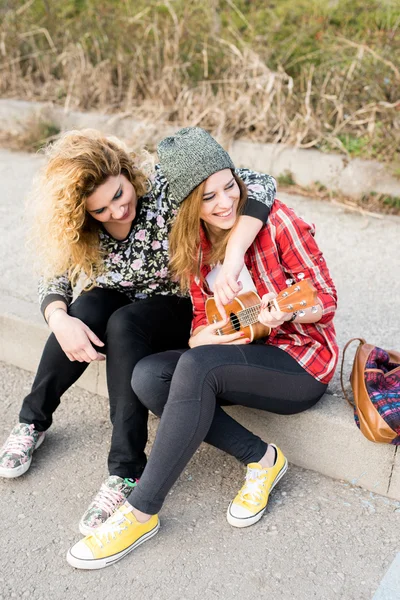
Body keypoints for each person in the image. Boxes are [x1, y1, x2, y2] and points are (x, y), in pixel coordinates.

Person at [66, 127, 338, 570]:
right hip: (242, 352)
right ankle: (262, 459)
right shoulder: (193, 244)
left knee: (198, 369)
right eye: (208, 197)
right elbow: (198, 322)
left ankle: (139, 511)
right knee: (149, 377)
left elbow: (325, 299)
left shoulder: (278, 222)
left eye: (228, 186)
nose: (225, 202)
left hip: (301, 361)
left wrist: (287, 314)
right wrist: (202, 337)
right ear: (189, 205)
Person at [0, 129, 276, 534]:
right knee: (86, 307)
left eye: (118, 195)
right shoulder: (82, 229)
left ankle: (125, 469)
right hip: (119, 302)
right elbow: (53, 277)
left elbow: (260, 183)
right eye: (100, 211)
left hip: (176, 307)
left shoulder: (161, 186)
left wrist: (233, 257)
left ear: (127, 173)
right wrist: (60, 320)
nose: (116, 212)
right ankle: (32, 422)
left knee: (122, 322)